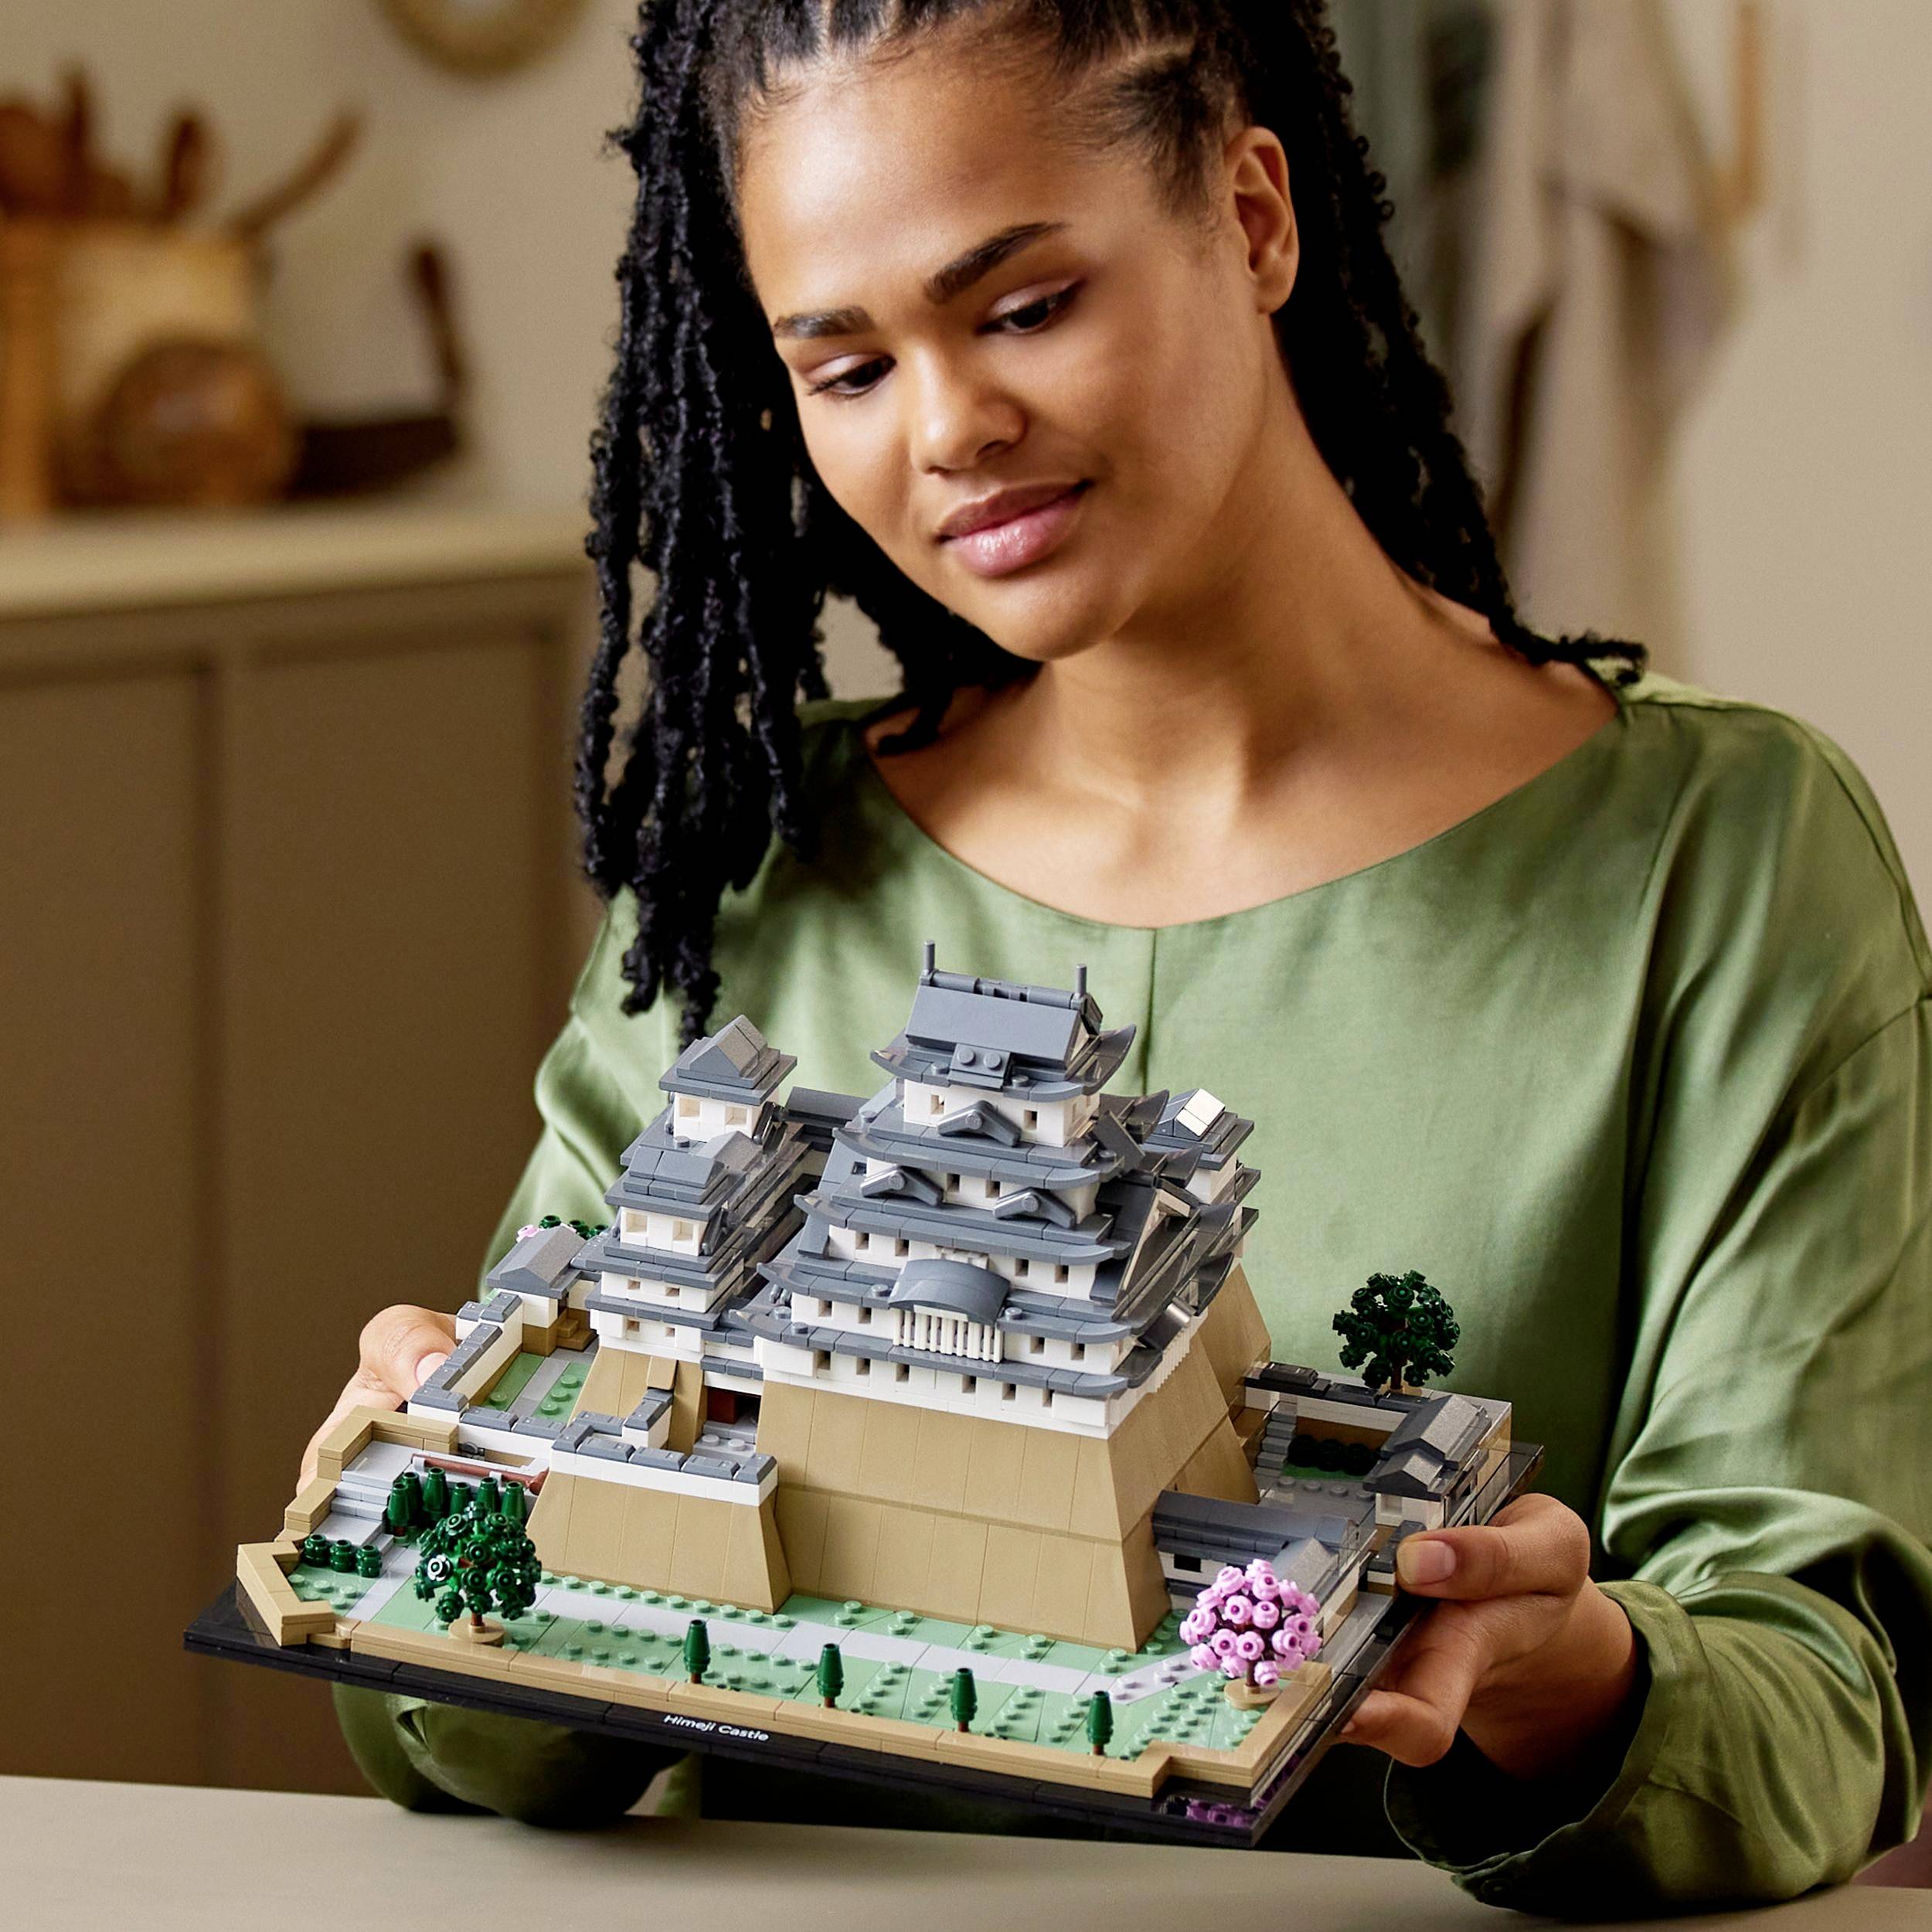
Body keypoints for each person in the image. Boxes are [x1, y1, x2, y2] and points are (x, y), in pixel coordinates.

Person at [314, 0, 1932, 1911]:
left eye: (1019, 307)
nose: (946, 427)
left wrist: (1572, 1676)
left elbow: (1829, 1693)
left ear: (1251, 216)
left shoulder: (1721, 861)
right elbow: (475, 1741)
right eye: (843, 366)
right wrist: (439, 1519)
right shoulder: (758, 864)